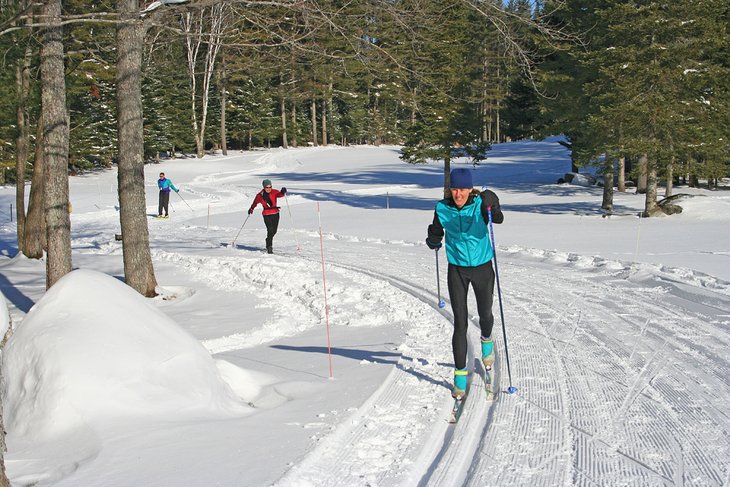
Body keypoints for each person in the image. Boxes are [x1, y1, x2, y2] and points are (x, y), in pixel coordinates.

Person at [426, 168, 504, 399]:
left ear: (470, 189)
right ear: (450, 190)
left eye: (462, 189)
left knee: (485, 314)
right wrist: (432, 239)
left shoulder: (480, 204)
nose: (458, 194)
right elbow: (436, 233)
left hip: (482, 268)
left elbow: (498, 219)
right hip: (457, 270)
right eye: (455, 189)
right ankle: (460, 375)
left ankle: (486, 340)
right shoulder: (442, 208)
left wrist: (493, 202)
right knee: (460, 323)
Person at [248, 179, 287, 254]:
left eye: (270, 187)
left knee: (274, 231)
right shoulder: (260, 196)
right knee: (270, 230)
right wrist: (251, 209)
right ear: (264, 187)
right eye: (267, 187)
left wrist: (283, 191)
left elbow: (280, 195)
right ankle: (269, 246)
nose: (268, 189)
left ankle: (268, 240)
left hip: (275, 213)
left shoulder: (274, 191)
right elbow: (255, 203)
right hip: (266, 214)